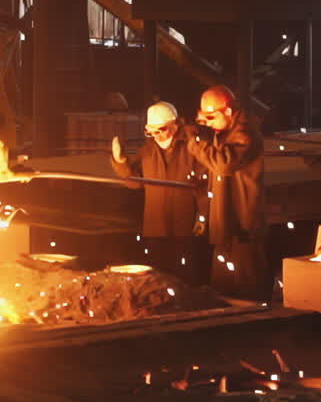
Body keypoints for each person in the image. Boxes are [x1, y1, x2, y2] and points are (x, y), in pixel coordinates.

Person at [186, 85, 267, 299]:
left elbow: (223, 164)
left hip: (243, 227)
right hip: (225, 223)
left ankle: (255, 326)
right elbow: (213, 176)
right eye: (205, 119)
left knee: (248, 289)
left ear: (229, 112)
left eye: (212, 117)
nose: (209, 124)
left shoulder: (245, 135)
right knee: (224, 287)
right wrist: (205, 213)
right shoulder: (223, 134)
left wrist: (196, 144)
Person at [111, 101, 200, 276]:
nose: (157, 136)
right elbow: (135, 183)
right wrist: (121, 163)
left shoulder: (192, 147)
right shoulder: (148, 149)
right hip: (156, 226)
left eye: (161, 130)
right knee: (158, 274)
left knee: (185, 274)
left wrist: (202, 217)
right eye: (151, 132)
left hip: (185, 226)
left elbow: (205, 185)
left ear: (174, 126)